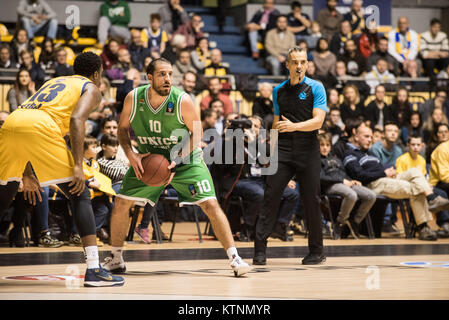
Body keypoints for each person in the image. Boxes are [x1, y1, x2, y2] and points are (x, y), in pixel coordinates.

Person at [102, 58, 251, 277]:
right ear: (149, 77)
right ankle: (115, 258)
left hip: (185, 158)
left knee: (210, 203)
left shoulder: (182, 100)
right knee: (122, 201)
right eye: (162, 74)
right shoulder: (133, 99)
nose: (168, 79)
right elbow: (122, 131)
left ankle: (235, 257)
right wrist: (131, 154)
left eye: (170, 74)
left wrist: (179, 158)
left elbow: (198, 133)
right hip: (150, 159)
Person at [0, 52, 124, 286]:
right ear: (96, 73)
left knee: (3, 196)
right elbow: (77, 120)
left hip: (12, 123)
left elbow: (26, 127)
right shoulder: (91, 88)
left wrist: (26, 173)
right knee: (81, 193)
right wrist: (78, 165)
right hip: (39, 126)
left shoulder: (54, 81)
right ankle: (94, 270)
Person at [253, 46, 327, 265]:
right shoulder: (278, 91)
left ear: (307, 64)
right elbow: (276, 123)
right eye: (295, 62)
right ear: (287, 65)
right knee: (270, 196)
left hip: (308, 148)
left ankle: (316, 251)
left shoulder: (316, 87)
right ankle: (259, 251)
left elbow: (318, 121)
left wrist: (294, 127)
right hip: (283, 149)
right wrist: (271, 151)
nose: (299, 66)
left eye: (303, 61)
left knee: (311, 200)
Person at [343, 126, 449, 240]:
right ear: (356, 137)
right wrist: (384, 173)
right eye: (366, 136)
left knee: (415, 171)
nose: (370, 140)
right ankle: (424, 224)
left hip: (386, 179)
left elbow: (379, 169)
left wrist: (390, 173)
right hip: (373, 184)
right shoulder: (350, 154)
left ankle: (430, 199)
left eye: (371, 137)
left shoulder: (371, 153)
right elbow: (359, 176)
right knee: (417, 188)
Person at [319, 133, 376, 239]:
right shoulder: (316, 160)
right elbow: (320, 178)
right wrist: (342, 181)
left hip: (344, 183)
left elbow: (344, 174)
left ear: (330, 146)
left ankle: (354, 221)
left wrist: (352, 180)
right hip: (329, 186)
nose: (325, 148)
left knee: (371, 195)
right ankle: (340, 223)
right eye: (322, 145)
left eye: (327, 145)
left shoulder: (336, 159)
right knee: (352, 195)